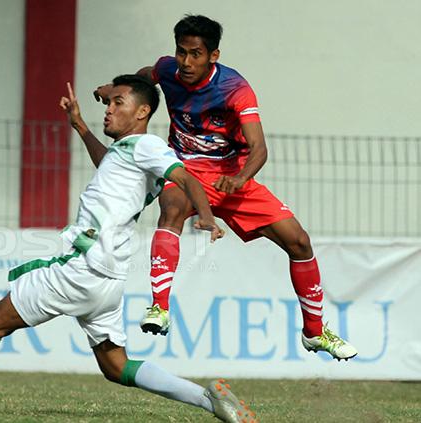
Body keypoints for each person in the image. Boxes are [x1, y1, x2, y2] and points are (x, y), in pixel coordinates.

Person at [0, 75, 257, 423]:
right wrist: (81, 126)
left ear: (143, 112)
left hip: (83, 266)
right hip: (106, 281)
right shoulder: (128, 153)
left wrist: (206, 216)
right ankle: (207, 400)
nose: (109, 109)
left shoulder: (148, 145)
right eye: (109, 102)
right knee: (116, 367)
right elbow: (109, 163)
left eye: (118, 102)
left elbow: (184, 176)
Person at [92, 15, 357, 360]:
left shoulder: (235, 89)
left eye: (196, 54)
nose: (186, 62)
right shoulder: (168, 70)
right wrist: (114, 90)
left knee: (299, 241)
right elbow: (145, 76)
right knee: (171, 209)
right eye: (182, 52)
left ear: (213, 55)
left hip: (232, 176)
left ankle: (315, 331)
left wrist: (240, 178)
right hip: (184, 168)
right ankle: (159, 308)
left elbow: (259, 148)